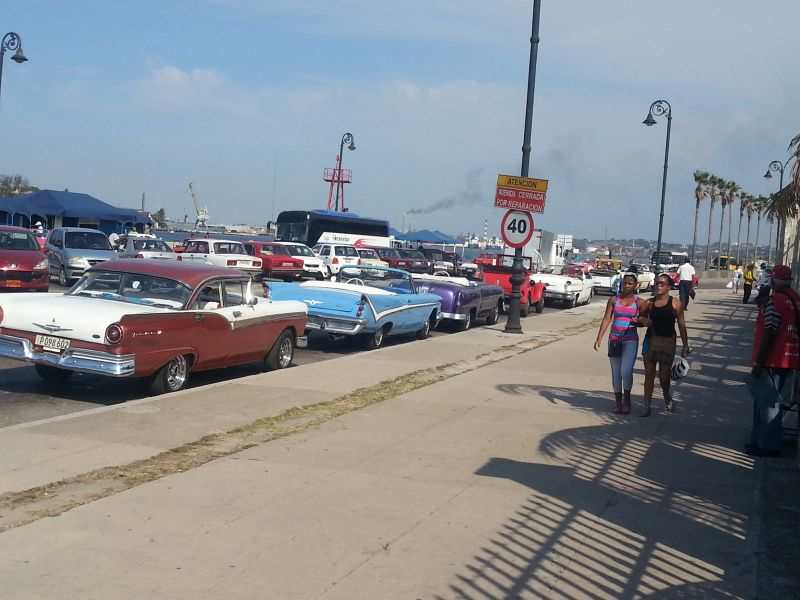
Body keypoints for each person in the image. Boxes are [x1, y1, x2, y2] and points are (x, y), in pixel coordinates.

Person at [747, 264, 799, 457]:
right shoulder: (795, 298)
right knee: (770, 401)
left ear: (776, 280)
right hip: (788, 357)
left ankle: (767, 445)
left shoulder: (775, 300)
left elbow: (770, 330)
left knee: (767, 403)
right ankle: (762, 441)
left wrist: (759, 363)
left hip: (772, 359)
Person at [594, 273, 646, 414]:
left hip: (630, 340)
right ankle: (618, 403)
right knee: (616, 373)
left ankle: (627, 400)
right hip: (614, 340)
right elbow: (606, 319)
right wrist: (599, 337)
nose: (627, 285)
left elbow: (646, 321)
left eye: (630, 283)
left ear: (636, 285)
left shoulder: (639, 302)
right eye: (625, 283)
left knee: (626, 370)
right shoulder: (613, 300)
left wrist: (639, 321)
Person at [639, 273, 690, 416]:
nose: (658, 286)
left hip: (668, 343)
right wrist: (643, 321)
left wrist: (685, 345)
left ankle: (667, 396)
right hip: (650, 342)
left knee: (664, 377)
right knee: (649, 375)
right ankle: (646, 406)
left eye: (662, 284)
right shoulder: (648, 303)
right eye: (656, 283)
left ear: (669, 287)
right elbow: (640, 317)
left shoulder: (675, 303)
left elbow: (681, 324)